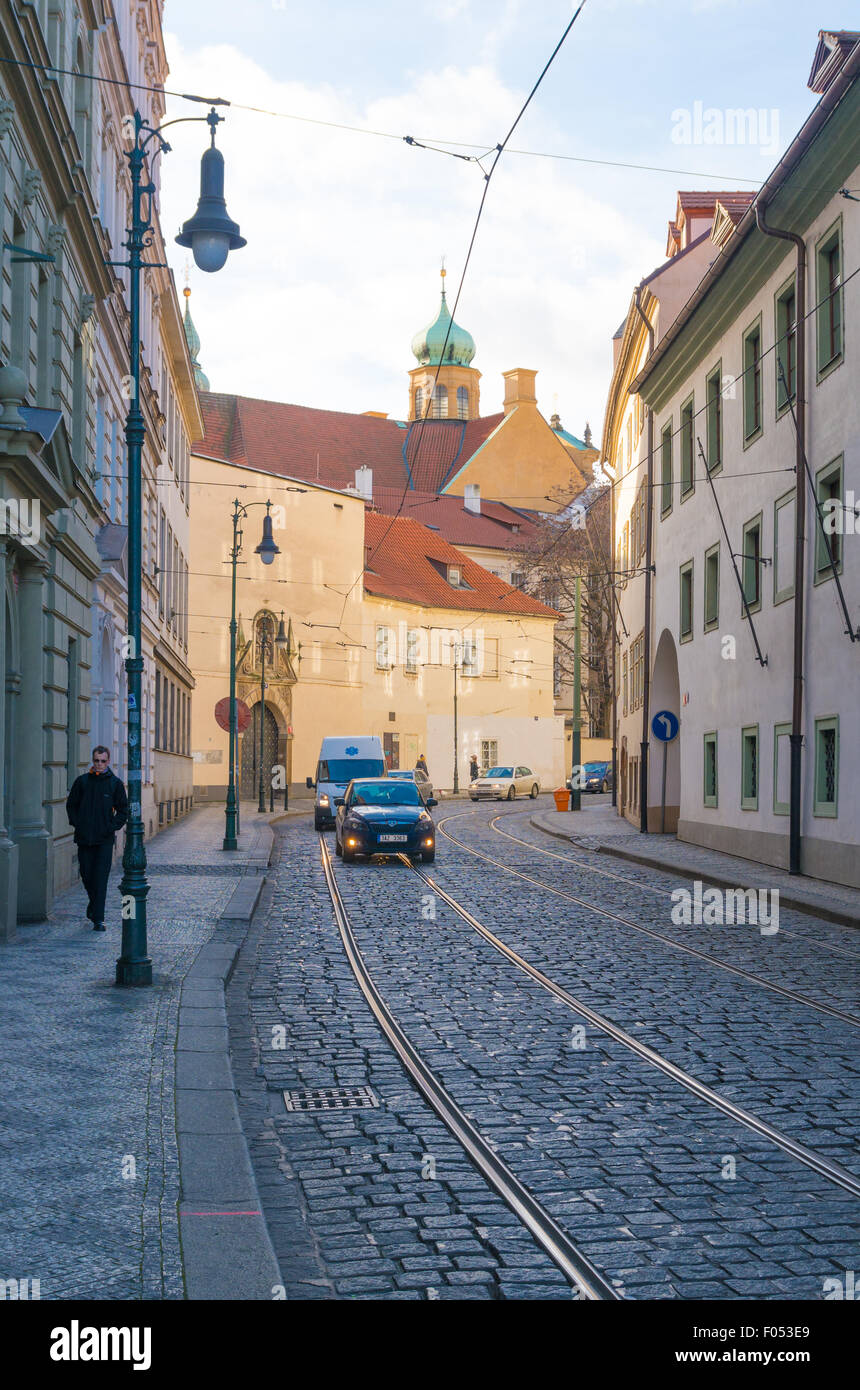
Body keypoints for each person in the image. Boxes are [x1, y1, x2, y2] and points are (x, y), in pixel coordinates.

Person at [66, 746, 128, 932]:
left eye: (103, 761)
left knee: (100, 879)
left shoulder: (114, 784)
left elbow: (123, 810)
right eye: (96, 761)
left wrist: (111, 827)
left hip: (104, 841)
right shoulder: (82, 782)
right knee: (86, 875)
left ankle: (98, 919)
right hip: (84, 839)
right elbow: (71, 806)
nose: (99, 764)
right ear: (92, 761)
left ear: (108, 762)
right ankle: (93, 905)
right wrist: (79, 824)